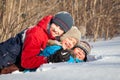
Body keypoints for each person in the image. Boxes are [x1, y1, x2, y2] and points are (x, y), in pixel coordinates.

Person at [0, 11, 73, 74]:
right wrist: (50, 59)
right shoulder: (37, 34)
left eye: (61, 29)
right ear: (51, 22)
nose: (56, 30)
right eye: (56, 25)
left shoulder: (46, 35)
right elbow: (26, 62)